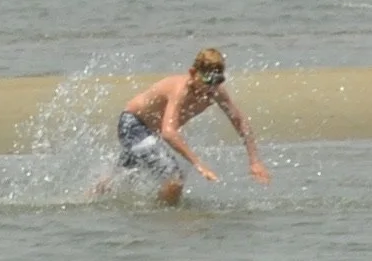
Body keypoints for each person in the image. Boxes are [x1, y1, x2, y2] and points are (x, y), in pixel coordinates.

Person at [101, 48, 270, 205]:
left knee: (116, 179)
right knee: (175, 178)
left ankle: (88, 200)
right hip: (133, 125)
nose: (211, 87)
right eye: (207, 80)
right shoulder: (180, 90)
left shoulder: (215, 91)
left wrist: (254, 160)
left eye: (218, 80)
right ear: (193, 73)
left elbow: (240, 122)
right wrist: (199, 164)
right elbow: (169, 132)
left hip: (151, 134)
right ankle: (165, 217)